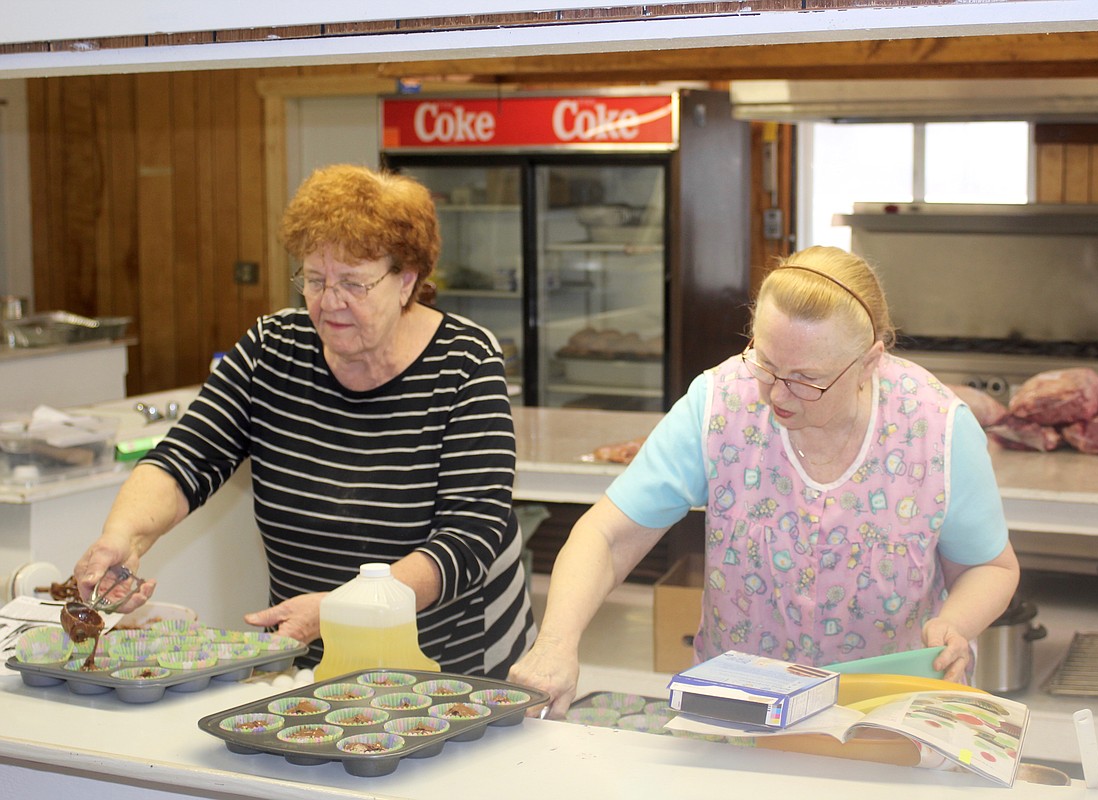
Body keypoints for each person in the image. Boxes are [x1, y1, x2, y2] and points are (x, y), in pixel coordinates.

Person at [510, 245, 1019, 716]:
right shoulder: (721, 403)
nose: (777, 393)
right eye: (766, 362)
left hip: (889, 707)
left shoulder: (935, 429)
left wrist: (955, 625)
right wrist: (555, 643)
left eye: (805, 378)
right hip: (741, 703)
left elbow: (990, 567)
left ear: (870, 362)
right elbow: (608, 535)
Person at [73, 164, 536, 678]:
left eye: (354, 284)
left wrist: (347, 608)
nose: (329, 302)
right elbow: (185, 459)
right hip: (312, 656)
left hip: (450, 658)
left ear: (406, 281)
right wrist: (123, 538)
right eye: (314, 280)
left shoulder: (464, 361)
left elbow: (472, 530)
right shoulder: (273, 349)